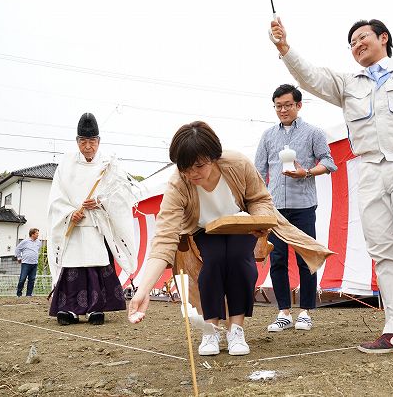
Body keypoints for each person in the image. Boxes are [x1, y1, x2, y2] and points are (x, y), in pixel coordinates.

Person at [269, 18, 393, 353]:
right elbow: (311, 77)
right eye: (352, 43)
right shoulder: (348, 83)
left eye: (362, 38)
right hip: (370, 166)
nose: (357, 45)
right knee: (383, 248)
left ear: (383, 38)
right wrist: (285, 48)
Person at [127, 121, 333, 357]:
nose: (193, 173)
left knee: (239, 261)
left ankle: (236, 329)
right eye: (185, 167)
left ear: (214, 156)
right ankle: (211, 329)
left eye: (199, 165)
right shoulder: (178, 183)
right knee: (213, 262)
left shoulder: (237, 164)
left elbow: (259, 198)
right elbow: (164, 238)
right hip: (203, 229)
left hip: (240, 223)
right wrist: (143, 291)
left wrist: (261, 221)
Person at [255, 84, 337, 332]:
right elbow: (258, 171)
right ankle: (283, 312)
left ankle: (306, 311)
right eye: (278, 106)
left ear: (299, 105)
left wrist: (307, 172)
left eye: (288, 105)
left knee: (306, 258)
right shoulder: (268, 136)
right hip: (276, 208)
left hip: (303, 205)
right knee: (277, 259)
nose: (283, 110)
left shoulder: (314, 133)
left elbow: (329, 162)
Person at [47, 113, 138, 326]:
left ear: (98, 141)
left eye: (92, 142)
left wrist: (100, 202)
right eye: (83, 142)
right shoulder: (66, 163)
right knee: (72, 267)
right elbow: (56, 197)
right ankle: (69, 310)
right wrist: (70, 213)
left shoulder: (108, 165)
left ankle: (95, 309)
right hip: (75, 226)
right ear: (77, 141)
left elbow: (121, 197)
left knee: (96, 265)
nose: (88, 147)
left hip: (97, 227)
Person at [15, 228, 41, 297]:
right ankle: (19, 294)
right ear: (32, 234)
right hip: (26, 263)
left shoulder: (39, 242)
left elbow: (37, 250)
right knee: (22, 279)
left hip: (34, 263)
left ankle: (29, 295)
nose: (38, 235)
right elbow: (18, 249)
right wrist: (19, 257)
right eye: (37, 233)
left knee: (32, 279)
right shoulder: (25, 241)